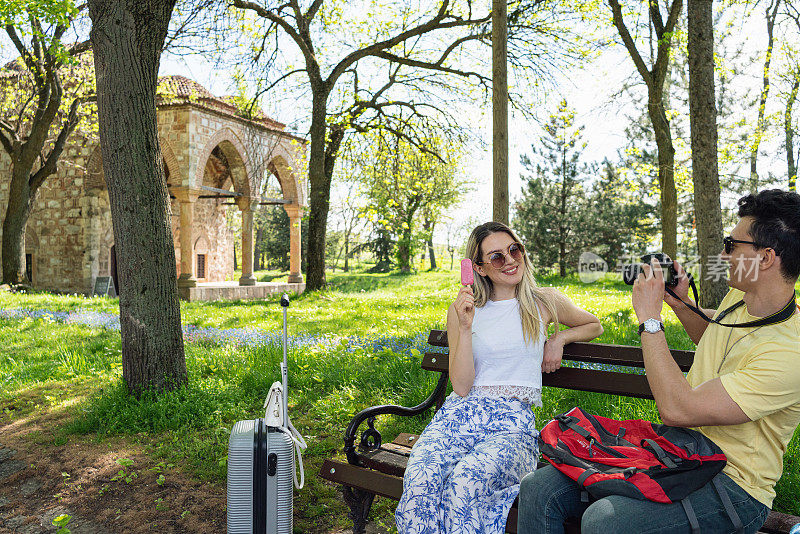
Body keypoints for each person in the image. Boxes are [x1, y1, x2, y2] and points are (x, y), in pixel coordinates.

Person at [518, 189, 800, 534]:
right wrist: (681, 304)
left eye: (731, 244)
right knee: (539, 488)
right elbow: (715, 338)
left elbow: (678, 410)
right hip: (680, 452)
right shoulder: (744, 295)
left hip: (734, 484)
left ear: (766, 257)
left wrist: (650, 320)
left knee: (606, 522)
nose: (722, 254)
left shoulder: (791, 352)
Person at [395, 221, 604, 534]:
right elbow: (462, 386)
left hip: (511, 427)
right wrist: (465, 327)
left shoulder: (542, 301)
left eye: (514, 250)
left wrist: (557, 340)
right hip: (457, 418)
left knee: (466, 480)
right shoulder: (463, 311)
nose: (509, 260)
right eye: (496, 257)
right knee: (421, 477)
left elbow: (594, 325)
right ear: (478, 268)